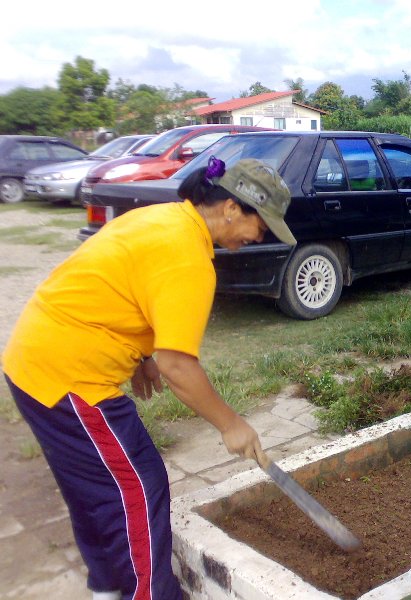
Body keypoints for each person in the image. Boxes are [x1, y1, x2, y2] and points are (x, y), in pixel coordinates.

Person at [2, 157, 297, 600]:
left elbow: (123, 286)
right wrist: (231, 424)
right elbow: (179, 366)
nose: (258, 237)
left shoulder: (164, 218)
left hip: (33, 360)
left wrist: (142, 356)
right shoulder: (187, 257)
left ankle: (108, 587)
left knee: (95, 490)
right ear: (233, 208)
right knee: (138, 488)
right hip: (70, 377)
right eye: (261, 225)